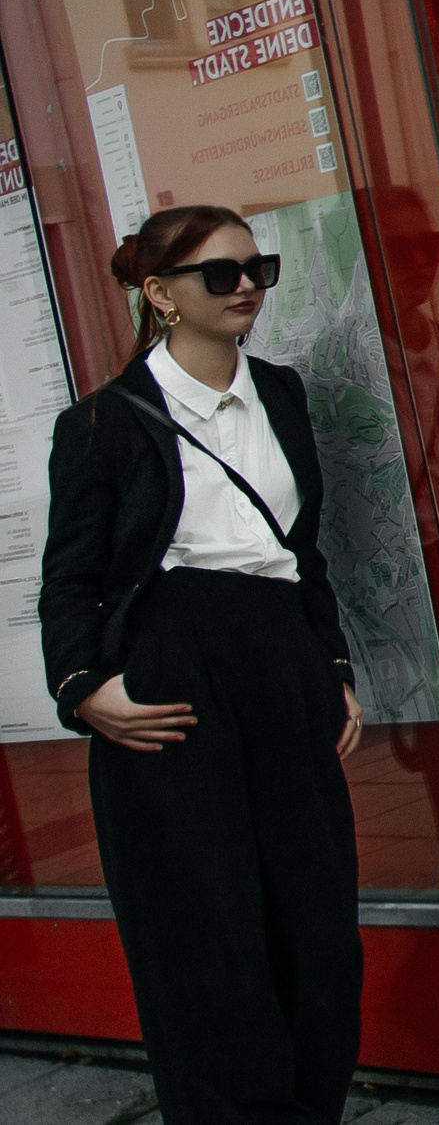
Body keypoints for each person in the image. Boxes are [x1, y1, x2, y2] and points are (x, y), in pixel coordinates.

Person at [39, 204, 363, 1125]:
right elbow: (70, 582)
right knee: (204, 930)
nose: (248, 286)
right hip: (172, 667)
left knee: (316, 924)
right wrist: (84, 692)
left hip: (283, 664)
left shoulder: (284, 393)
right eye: (220, 273)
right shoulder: (102, 424)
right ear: (159, 295)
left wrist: (330, 660)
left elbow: (305, 550)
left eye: (255, 266)